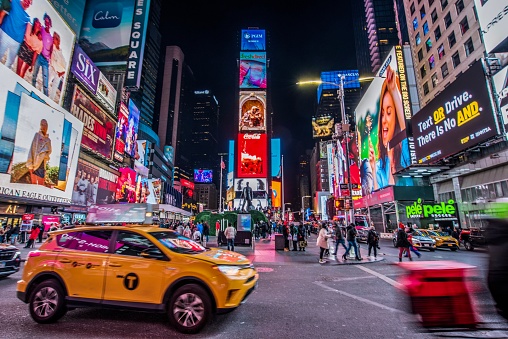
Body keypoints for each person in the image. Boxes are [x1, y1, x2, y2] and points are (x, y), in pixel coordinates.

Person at [367, 65, 410, 190]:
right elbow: (377, 194)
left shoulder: (405, 153)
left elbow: (405, 129)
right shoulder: (380, 164)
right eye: (382, 114)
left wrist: (394, 91)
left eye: (389, 112)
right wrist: (373, 168)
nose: (384, 120)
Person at [0, 0, 32, 68]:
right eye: (27, 0)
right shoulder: (15, 2)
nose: (28, 3)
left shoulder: (28, 18)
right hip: (5, 34)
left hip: (16, 43)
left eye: (30, 2)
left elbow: (27, 36)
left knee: (9, 64)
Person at [32, 13, 53, 96]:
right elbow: (35, 29)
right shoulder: (42, 29)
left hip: (45, 61)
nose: (46, 23)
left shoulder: (51, 38)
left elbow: (51, 50)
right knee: (34, 74)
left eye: (48, 22)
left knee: (45, 79)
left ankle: (45, 96)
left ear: (50, 24)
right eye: (45, 22)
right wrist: (38, 35)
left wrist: (49, 60)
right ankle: (32, 88)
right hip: (39, 56)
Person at [26, 119, 52, 185]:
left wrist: (45, 156)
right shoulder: (37, 135)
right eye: (42, 124)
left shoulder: (48, 140)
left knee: (41, 184)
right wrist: (30, 165)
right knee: (33, 184)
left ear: (47, 126)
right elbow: (32, 149)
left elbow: (49, 151)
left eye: (45, 124)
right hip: (34, 164)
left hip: (42, 165)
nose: (43, 126)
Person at [48, 31, 66, 101]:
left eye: (54, 38)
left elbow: (65, 69)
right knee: (46, 83)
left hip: (58, 73)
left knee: (54, 88)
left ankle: (50, 100)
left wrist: (60, 74)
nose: (53, 39)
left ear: (58, 40)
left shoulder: (61, 55)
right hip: (52, 68)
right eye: (53, 37)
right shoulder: (52, 47)